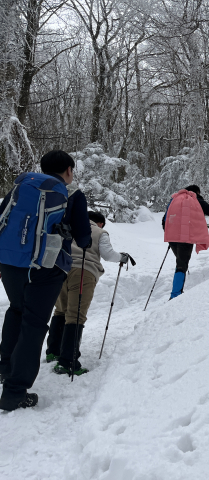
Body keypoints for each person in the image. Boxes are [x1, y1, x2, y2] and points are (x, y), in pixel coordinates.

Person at [0, 150, 92, 411]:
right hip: (46, 267)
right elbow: (84, 239)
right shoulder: (72, 195)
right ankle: (15, 392)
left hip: (10, 262)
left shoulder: (22, 184)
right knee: (35, 323)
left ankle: (5, 368)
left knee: (16, 311)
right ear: (69, 170)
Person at [46, 211, 131, 376]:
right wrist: (122, 257)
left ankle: (53, 351)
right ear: (100, 223)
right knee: (76, 315)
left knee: (60, 310)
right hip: (83, 272)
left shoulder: (69, 226)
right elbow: (108, 254)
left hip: (60, 270)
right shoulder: (100, 232)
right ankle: (67, 362)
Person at [163, 185, 209, 299]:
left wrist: (171, 235)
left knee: (180, 262)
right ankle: (175, 295)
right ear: (197, 192)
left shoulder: (174, 199)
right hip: (186, 239)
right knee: (181, 264)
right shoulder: (196, 200)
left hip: (171, 237)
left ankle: (177, 291)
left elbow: (165, 219)